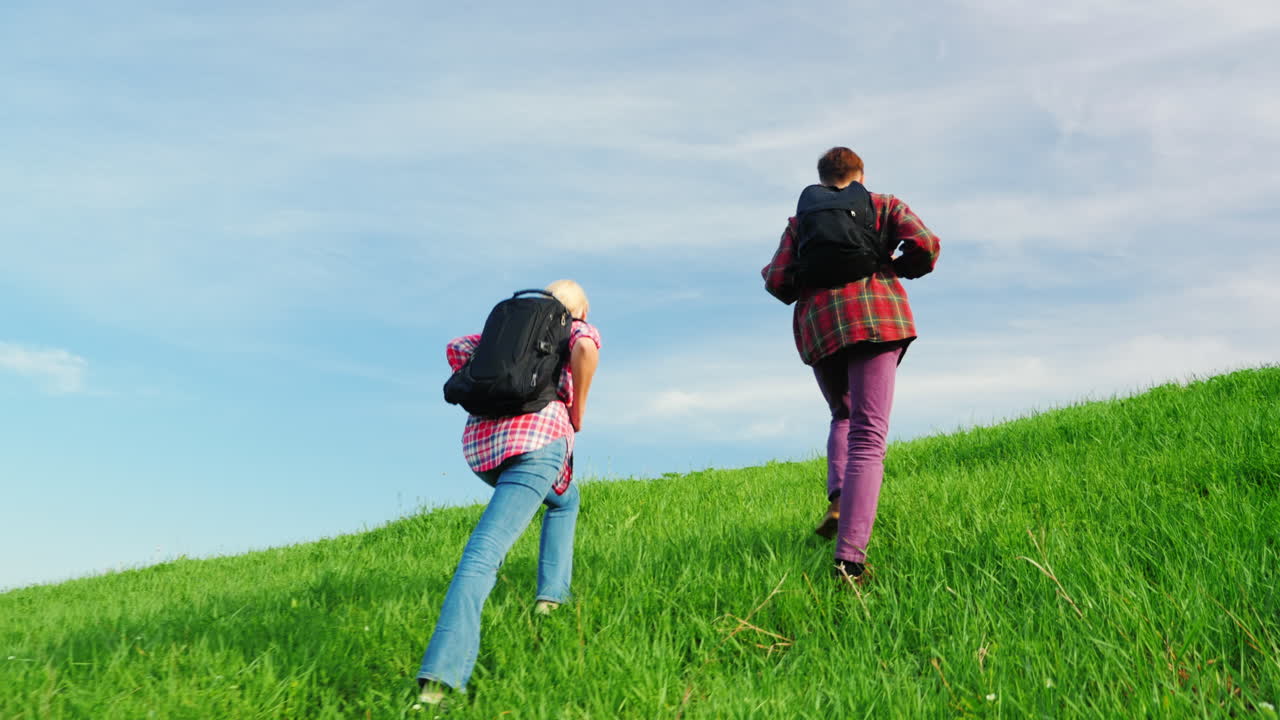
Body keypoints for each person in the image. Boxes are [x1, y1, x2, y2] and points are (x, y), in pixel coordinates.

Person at [416, 279, 601, 706]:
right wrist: (577, 412)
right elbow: (586, 350)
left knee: (566, 499)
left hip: (484, 452)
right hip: (537, 445)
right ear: (579, 311)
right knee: (484, 552)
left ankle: (551, 599)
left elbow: (457, 348)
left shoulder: (505, 331)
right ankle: (439, 682)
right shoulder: (573, 326)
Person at [761, 147, 940, 582]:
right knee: (869, 434)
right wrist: (896, 266)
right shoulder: (884, 205)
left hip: (821, 325)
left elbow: (777, 279)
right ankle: (850, 562)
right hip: (878, 315)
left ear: (821, 178)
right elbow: (926, 244)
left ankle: (840, 500)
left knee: (842, 414)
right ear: (861, 173)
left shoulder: (800, 222)